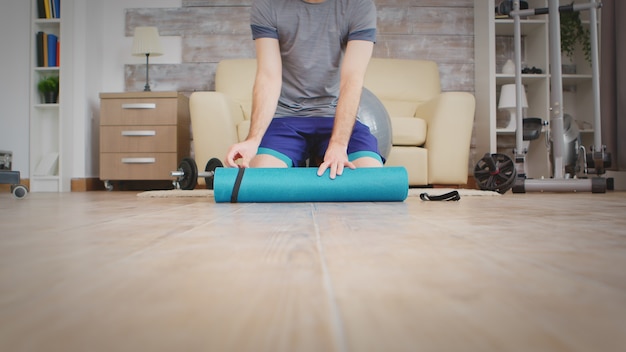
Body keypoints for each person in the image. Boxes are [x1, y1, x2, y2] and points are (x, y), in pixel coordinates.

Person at [225, 0, 383, 179]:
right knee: (262, 180)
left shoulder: (359, 5)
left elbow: (352, 78)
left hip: (334, 117)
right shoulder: (267, 4)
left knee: (371, 178)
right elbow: (268, 76)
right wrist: (253, 140)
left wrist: (339, 144)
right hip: (285, 118)